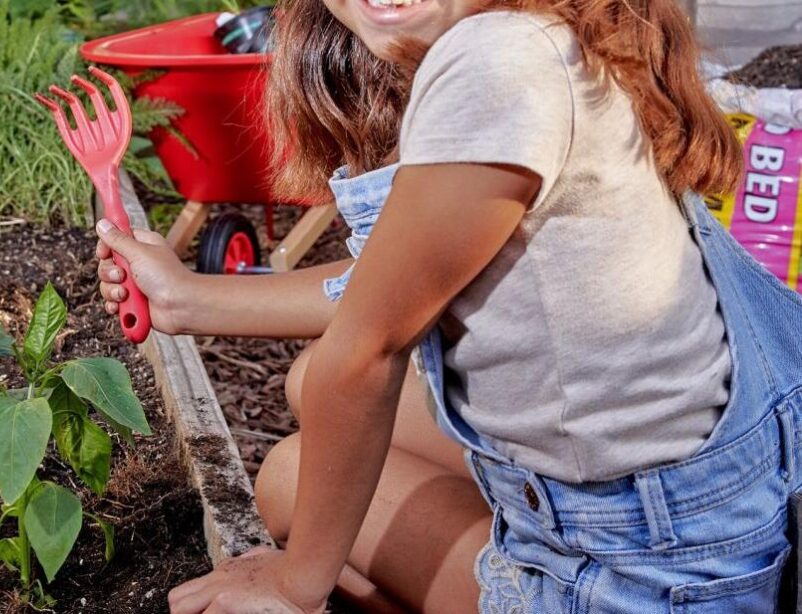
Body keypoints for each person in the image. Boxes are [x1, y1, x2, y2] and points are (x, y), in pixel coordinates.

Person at [93, 0, 802, 611]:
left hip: (645, 572)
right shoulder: (564, 28)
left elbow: (369, 350)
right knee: (307, 390)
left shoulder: (493, 62)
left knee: (290, 481)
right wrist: (186, 299)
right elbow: (399, 276)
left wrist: (292, 584)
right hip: (711, 492)